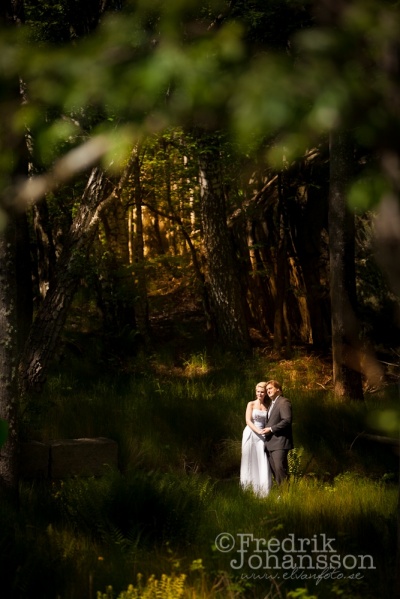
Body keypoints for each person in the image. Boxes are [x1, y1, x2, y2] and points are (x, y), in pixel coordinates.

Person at [240, 382, 272, 497]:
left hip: (262, 435)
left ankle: (263, 491)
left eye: (262, 392)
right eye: (258, 391)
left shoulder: (268, 406)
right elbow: (248, 420)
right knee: (249, 459)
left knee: (262, 459)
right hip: (251, 433)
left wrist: (265, 431)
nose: (260, 394)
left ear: (265, 393)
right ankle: (248, 489)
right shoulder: (251, 404)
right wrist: (257, 431)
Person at [264, 380, 293, 485]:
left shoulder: (284, 402)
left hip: (280, 442)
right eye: (267, 389)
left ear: (278, 389)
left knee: (280, 468)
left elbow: (287, 420)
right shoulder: (271, 404)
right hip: (270, 443)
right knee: (275, 471)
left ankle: (286, 494)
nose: (268, 391)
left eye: (270, 388)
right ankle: (282, 494)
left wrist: (271, 429)